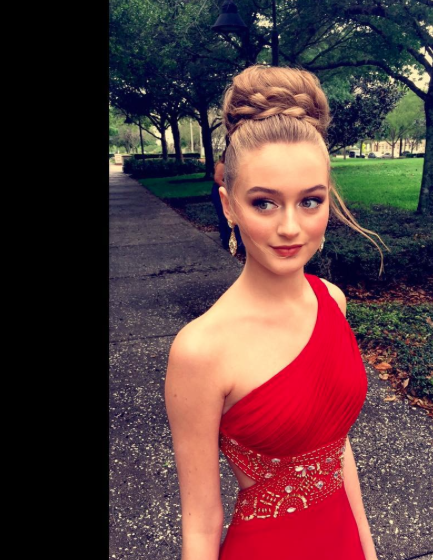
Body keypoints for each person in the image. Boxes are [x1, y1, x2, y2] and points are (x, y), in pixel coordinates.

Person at [164, 65, 387, 560]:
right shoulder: (201, 351)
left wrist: (368, 550)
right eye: (264, 203)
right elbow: (201, 524)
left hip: (343, 541)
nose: (290, 227)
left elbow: (337, 449)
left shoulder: (331, 301)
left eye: (310, 201)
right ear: (229, 206)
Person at [211, 147, 243, 252]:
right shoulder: (222, 165)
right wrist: (230, 188)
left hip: (227, 191)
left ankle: (230, 239)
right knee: (224, 216)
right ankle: (226, 240)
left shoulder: (230, 166)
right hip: (220, 191)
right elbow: (218, 179)